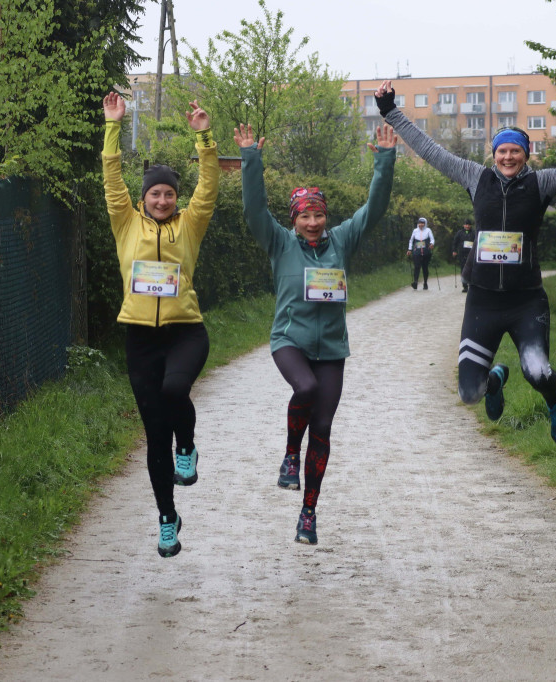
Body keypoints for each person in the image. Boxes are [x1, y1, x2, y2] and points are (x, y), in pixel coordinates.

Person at [375, 80, 556, 445]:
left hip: (526, 300)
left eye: (516, 151)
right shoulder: (474, 176)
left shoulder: (543, 183)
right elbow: (429, 149)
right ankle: (496, 379)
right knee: (469, 393)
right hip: (483, 299)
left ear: (526, 155)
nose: (508, 157)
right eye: (502, 152)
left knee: (538, 372)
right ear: (493, 154)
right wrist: (390, 112)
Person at [235, 121, 397, 545]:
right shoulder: (280, 244)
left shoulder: (342, 241)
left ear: (327, 217)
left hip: (332, 351)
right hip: (290, 342)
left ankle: (308, 513)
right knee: (303, 388)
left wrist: (384, 160)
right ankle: (290, 454)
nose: (312, 221)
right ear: (294, 218)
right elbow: (254, 210)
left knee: (322, 429)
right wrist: (251, 158)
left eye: (318, 214)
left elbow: (373, 209)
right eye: (304, 215)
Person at [101, 91, 219, 557]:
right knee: (154, 437)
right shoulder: (125, 223)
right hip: (140, 339)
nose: (164, 200)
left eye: (170, 193)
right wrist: (113, 125)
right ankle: (167, 518)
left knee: (175, 391)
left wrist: (204, 136)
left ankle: (187, 448)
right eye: (156, 193)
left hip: (186, 331)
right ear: (145, 198)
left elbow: (209, 185)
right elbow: (112, 180)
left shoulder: (190, 225)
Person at [407, 217, 435, 289]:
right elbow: (411, 240)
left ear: (425, 224)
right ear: (418, 224)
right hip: (417, 251)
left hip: (426, 251)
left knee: (425, 267)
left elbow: (432, 239)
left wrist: (432, 244)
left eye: (422, 223)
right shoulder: (415, 231)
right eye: (419, 223)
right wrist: (409, 249)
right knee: (417, 266)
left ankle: (425, 283)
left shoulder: (428, 230)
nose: (421, 225)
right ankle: (415, 282)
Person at [452, 219, 475, 292]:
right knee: (463, 268)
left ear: (470, 225)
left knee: (472, 269)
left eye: (469, 225)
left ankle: (471, 284)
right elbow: (455, 242)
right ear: (463, 225)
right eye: (466, 224)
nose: (467, 226)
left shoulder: (474, 233)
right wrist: (454, 251)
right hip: (462, 253)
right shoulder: (459, 233)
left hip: (471, 253)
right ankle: (465, 286)